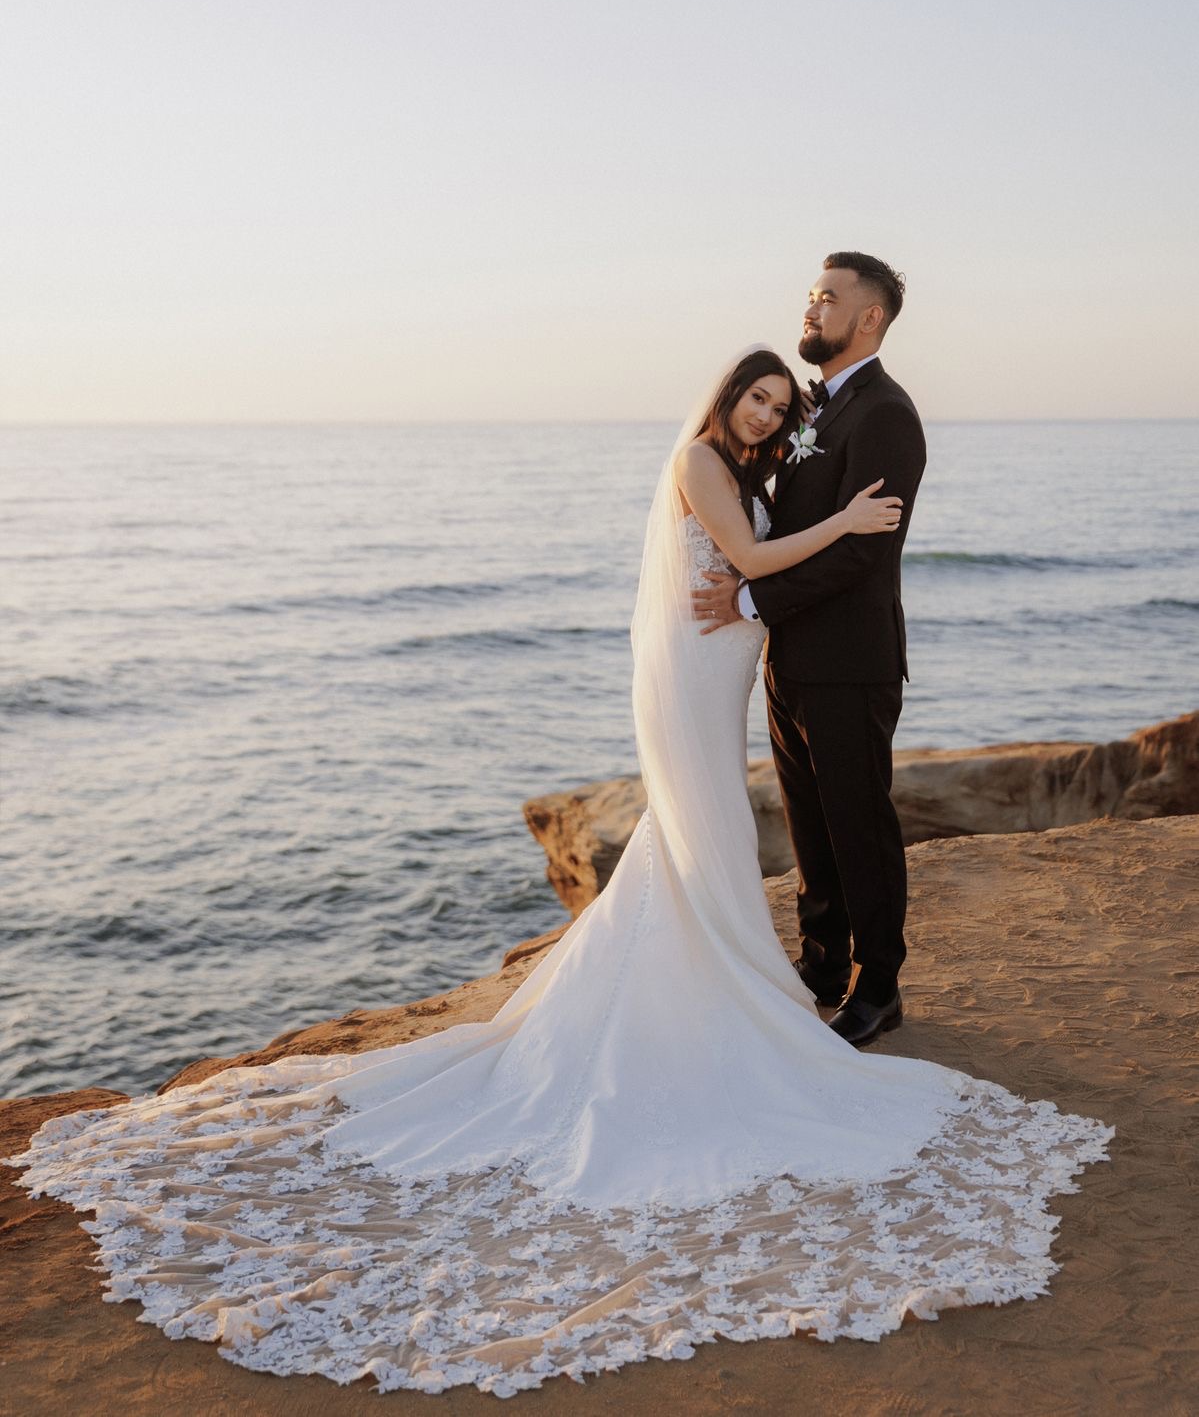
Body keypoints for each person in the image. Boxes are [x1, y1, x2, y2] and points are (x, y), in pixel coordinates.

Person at [8, 343, 1111, 1398]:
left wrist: (807, 524)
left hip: (726, 668)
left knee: (709, 842)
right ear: (726, 395)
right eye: (757, 398)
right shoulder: (696, 462)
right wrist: (846, 518)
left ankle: (739, 980)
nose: (769, 415)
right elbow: (755, 562)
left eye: (780, 404)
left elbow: (752, 564)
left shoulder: (746, 464)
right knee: (705, 834)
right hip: (693, 675)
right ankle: (714, 995)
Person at [693, 253, 925, 1047]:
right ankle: (822, 967)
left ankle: (878, 986)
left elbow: (862, 551)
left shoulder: (886, 415)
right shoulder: (813, 413)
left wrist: (750, 598)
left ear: (868, 317)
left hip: (850, 663)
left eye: (827, 298)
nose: (811, 307)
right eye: (809, 294)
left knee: (858, 825)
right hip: (789, 663)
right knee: (810, 830)